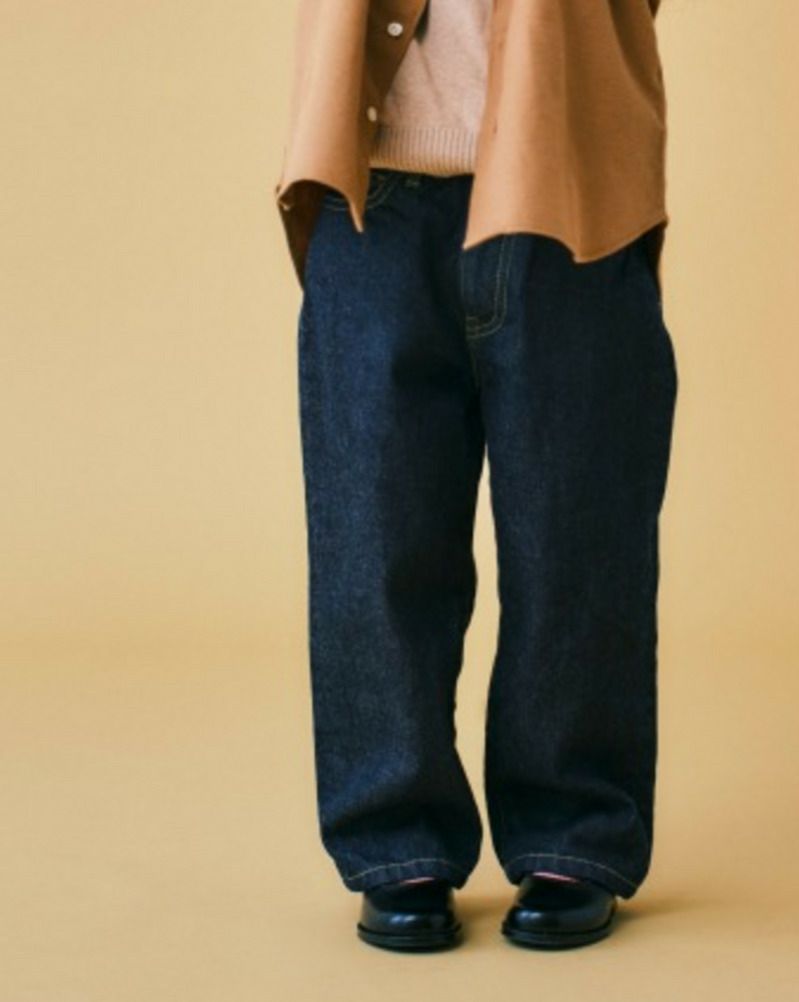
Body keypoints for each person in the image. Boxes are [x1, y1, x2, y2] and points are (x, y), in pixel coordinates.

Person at [276, 0, 677, 951]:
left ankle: (573, 833)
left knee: (578, 535)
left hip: (569, 175)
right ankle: (395, 841)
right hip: (372, 191)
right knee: (374, 539)